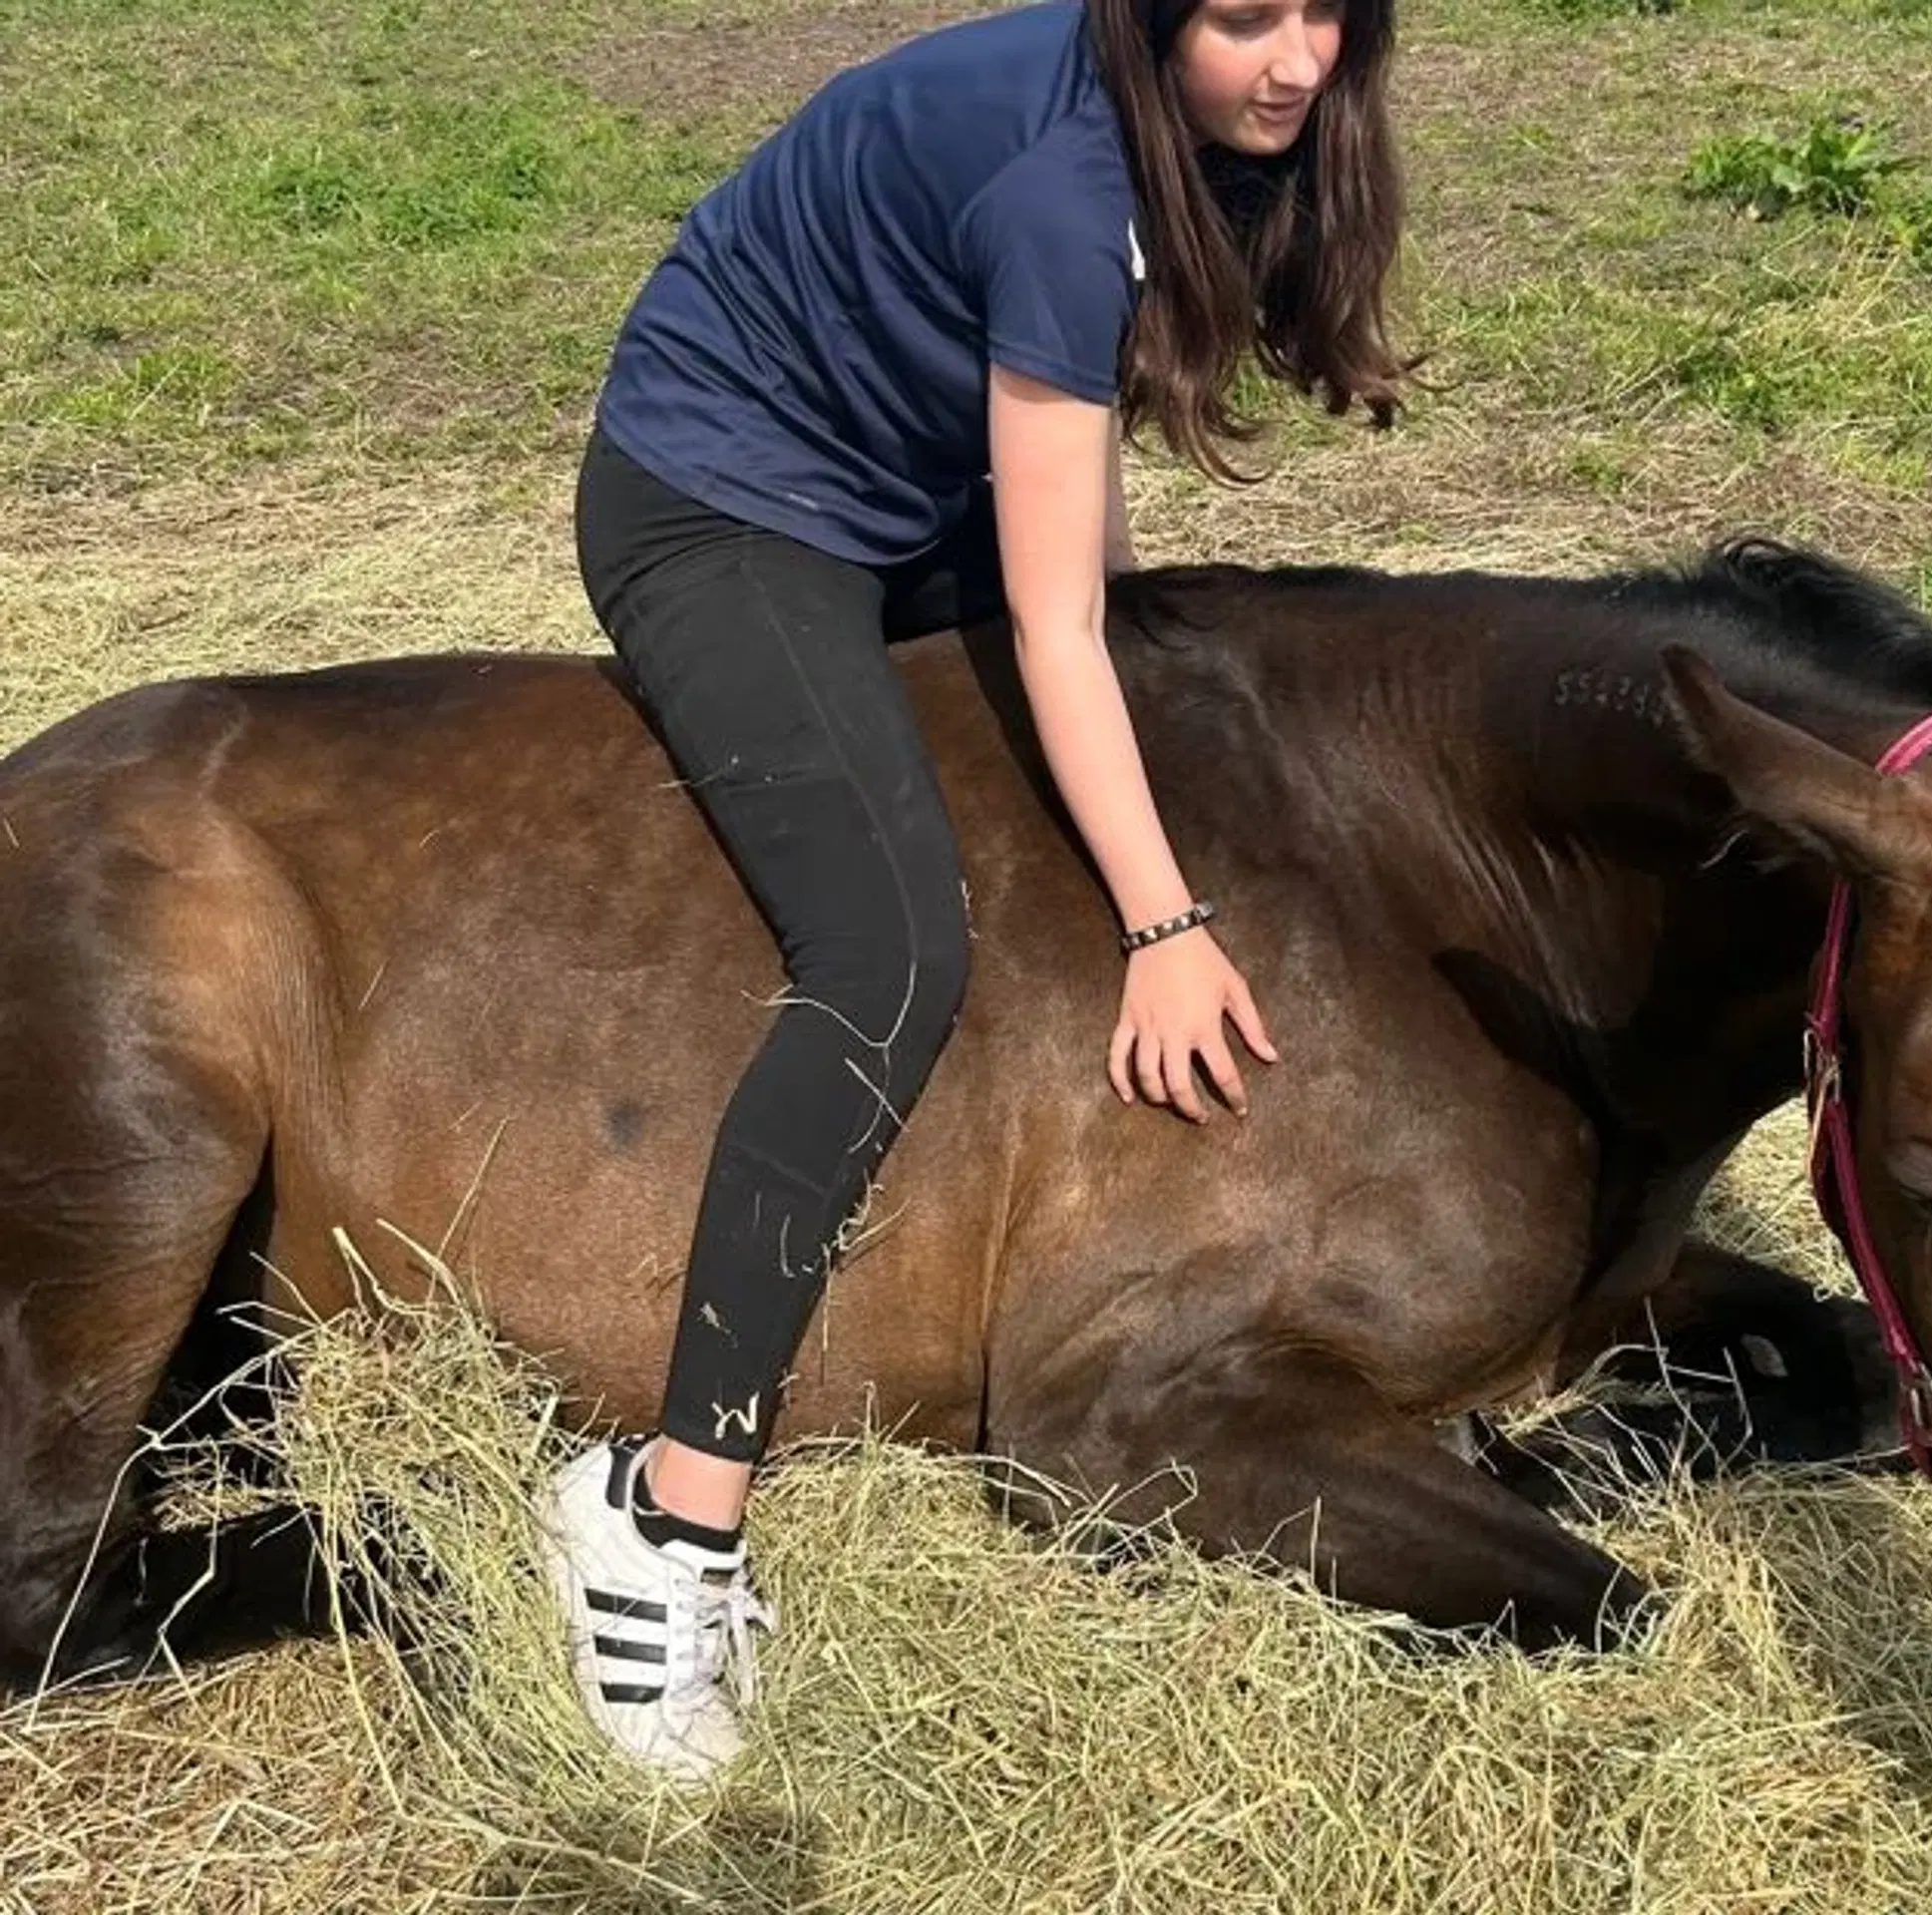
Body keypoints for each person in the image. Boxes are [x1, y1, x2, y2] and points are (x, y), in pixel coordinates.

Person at [541, 0, 1409, 1778]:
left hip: (909, 475)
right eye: (1248, 13)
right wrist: (1164, 927)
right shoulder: (1060, 189)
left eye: (1331, 8)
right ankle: (664, 1513)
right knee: (887, 950)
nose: (1299, 56)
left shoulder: (1220, 131)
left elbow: (1077, 503)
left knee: (1115, 736)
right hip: (724, 498)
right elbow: (1055, 619)